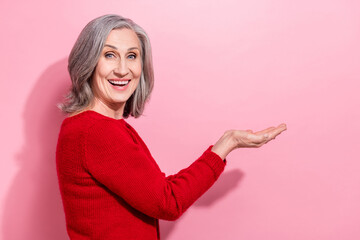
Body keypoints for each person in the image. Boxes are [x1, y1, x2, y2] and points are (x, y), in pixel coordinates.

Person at [56, 14, 287, 240]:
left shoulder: (88, 127)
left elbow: (157, 192)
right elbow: (168, 202)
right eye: (109, 55)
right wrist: (228, 144)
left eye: (132, 56)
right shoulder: (96, 131)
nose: (123, 69)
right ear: (88, 62)